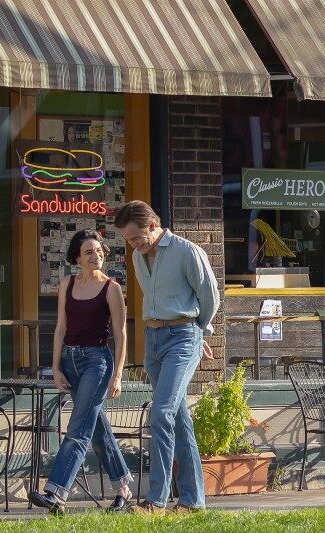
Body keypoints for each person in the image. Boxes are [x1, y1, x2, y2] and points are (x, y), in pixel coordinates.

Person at [114, 200, 219, 514]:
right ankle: (192, 501)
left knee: (160, 413)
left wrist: (198, 332)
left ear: (152, 225)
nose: (132, 244)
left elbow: (210, 295)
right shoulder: (136, 256)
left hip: (183, 336)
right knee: (178, 418)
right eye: (128, 239)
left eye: (136, 237)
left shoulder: (187, 252)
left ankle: (156, 501)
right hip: (154, 339)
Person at [28, 229, 134, 514]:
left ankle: (56, 493)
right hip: (70, 361)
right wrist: (54, 367)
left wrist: (119, 375)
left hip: (96, 363)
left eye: (99, 251)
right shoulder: (66, 283)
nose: (96, 255)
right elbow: (60, 328)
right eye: (89, 252)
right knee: (96, 426)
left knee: (77, 429)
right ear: (77, 257)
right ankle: (123, 486)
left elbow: (121, 333)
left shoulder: (111, 287)